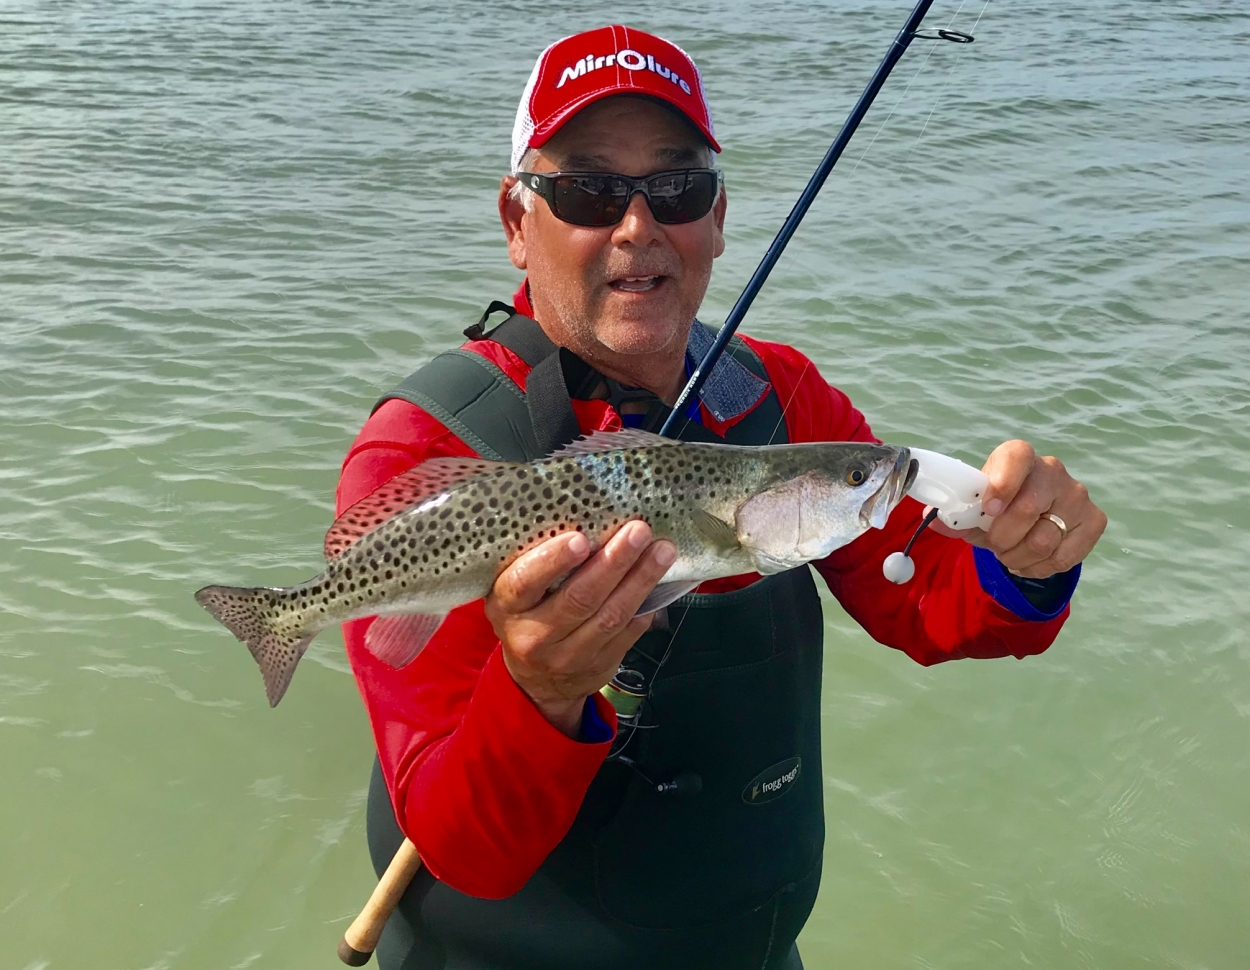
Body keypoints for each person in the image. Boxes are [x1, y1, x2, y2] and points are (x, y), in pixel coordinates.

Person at [337, 25, 1107, 970]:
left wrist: (1028, 559)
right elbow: (466, 850)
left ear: (719, 213)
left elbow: (924, 594)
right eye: (586, 188)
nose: (636, 226)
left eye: (677, 187)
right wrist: (537, 694)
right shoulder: (429, 446)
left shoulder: (780, 396)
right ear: (514, 221)